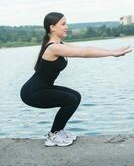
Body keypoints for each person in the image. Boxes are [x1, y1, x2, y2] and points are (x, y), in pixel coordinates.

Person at [20, 12, 132, 147]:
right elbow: (85, 54)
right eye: (63, 24)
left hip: (41, 88)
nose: (66, 27)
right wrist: (111, 53)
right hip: (32, 93)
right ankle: (53, 135)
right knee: (71, 100)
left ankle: (58, 131)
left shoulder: (59, 44)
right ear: (52, 28)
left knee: (75, 96)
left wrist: (111, 50)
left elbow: (86, 48)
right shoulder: (54, 47)